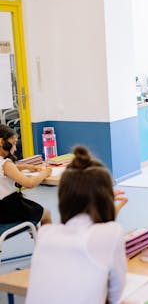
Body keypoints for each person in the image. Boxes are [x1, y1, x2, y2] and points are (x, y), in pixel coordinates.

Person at [26, 146, 128, 304]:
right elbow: (115, 297)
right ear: (106, 198)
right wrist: (108, 212)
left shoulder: (46, 233)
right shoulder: (112, 232)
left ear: (63, 198)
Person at [0, 124, 52, 225]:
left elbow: (7, 170)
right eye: (13, 144)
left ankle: (34, 228)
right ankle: (45, 239)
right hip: (10, 209)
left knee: (34, 211)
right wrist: (45, 173)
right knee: (46, 214)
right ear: (1, 142)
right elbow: (30, 183)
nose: (15, 148)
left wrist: (26, 167)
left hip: (2, 210)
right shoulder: (6, 164)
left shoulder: (4, 164)